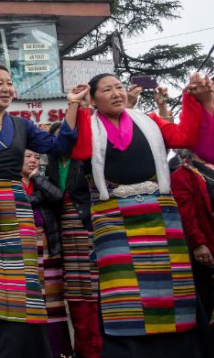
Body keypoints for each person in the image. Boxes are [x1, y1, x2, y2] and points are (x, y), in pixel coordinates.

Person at [69, 73, 212, 357]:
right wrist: (80, 108)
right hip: (112, 216)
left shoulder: (149, 122)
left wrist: (192, 100)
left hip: (159, 212)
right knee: (123, 289)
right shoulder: (90, 124)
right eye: (107, 90)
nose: (116, 93)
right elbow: (82, 149)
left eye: (119, 87)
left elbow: (186, 137)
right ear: (94, 98)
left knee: (170, 284)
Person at [0, 64, 85, 357]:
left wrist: (73, 104)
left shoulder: (23, 126)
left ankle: (26, 348)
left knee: (23, 277)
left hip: (16, 204)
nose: (7, 88)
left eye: (10, 83)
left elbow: (58, 143)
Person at [44, 122, 101, 358]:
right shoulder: (50, 168)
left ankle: (99, 345)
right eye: (58, 139)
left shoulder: (85, 161)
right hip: (63, 229)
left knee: (93, 283)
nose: (63, 143)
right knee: (74, 286)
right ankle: (83, 347)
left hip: (86, 222)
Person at [22, 150, 73, 358]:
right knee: (27, 299)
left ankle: (58, 350)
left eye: (36, 157)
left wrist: (36, 178)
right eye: (27, 157)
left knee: (53, 302)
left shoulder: (43, 180)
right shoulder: (10, 183)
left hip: (46, 242)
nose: (33, 160)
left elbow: (57, 196)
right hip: (21, 246)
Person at [172, 150, 214, 324]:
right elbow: (186, 215)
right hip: (206, 245)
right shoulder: (182, 174)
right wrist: (199, 244)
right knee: (205, 299)